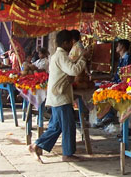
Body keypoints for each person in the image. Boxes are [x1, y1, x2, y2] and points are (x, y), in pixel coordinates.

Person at [28, 30, 89, 162]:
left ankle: (37, 145)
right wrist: (83, 58)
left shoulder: (59, 56)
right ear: (66, 43)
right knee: (68, 125)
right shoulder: (61, 56)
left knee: (56, 127)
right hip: (60, 97)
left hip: (58, 96)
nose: (72, 46)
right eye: (71, 43)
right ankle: (67, 153)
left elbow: (69, 71)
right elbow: (74, 70)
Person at [93, 39, 131, 129]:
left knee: (112, 95)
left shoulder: (128, 58)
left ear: (123, 47)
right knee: (101, 91)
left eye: (118, 46)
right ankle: (105, 117)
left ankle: (109, 117)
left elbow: (126, 76)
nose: (116, 47)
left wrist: (116, 83)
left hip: (124, 85)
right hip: (118, 83)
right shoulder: (122, 58)